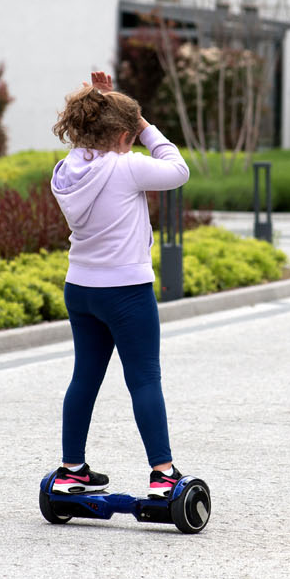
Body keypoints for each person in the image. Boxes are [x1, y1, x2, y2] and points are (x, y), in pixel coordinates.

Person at [47, 71, 192, 499]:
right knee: (144, 379)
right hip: (126, 291)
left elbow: (94, 135)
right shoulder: (127, 167)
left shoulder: (68, 170)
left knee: (84, 377)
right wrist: (143, 124)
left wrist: (103, 100)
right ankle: (163, 475)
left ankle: (71, 470)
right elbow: (178, 169)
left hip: (80, 288)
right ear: (126, 136)